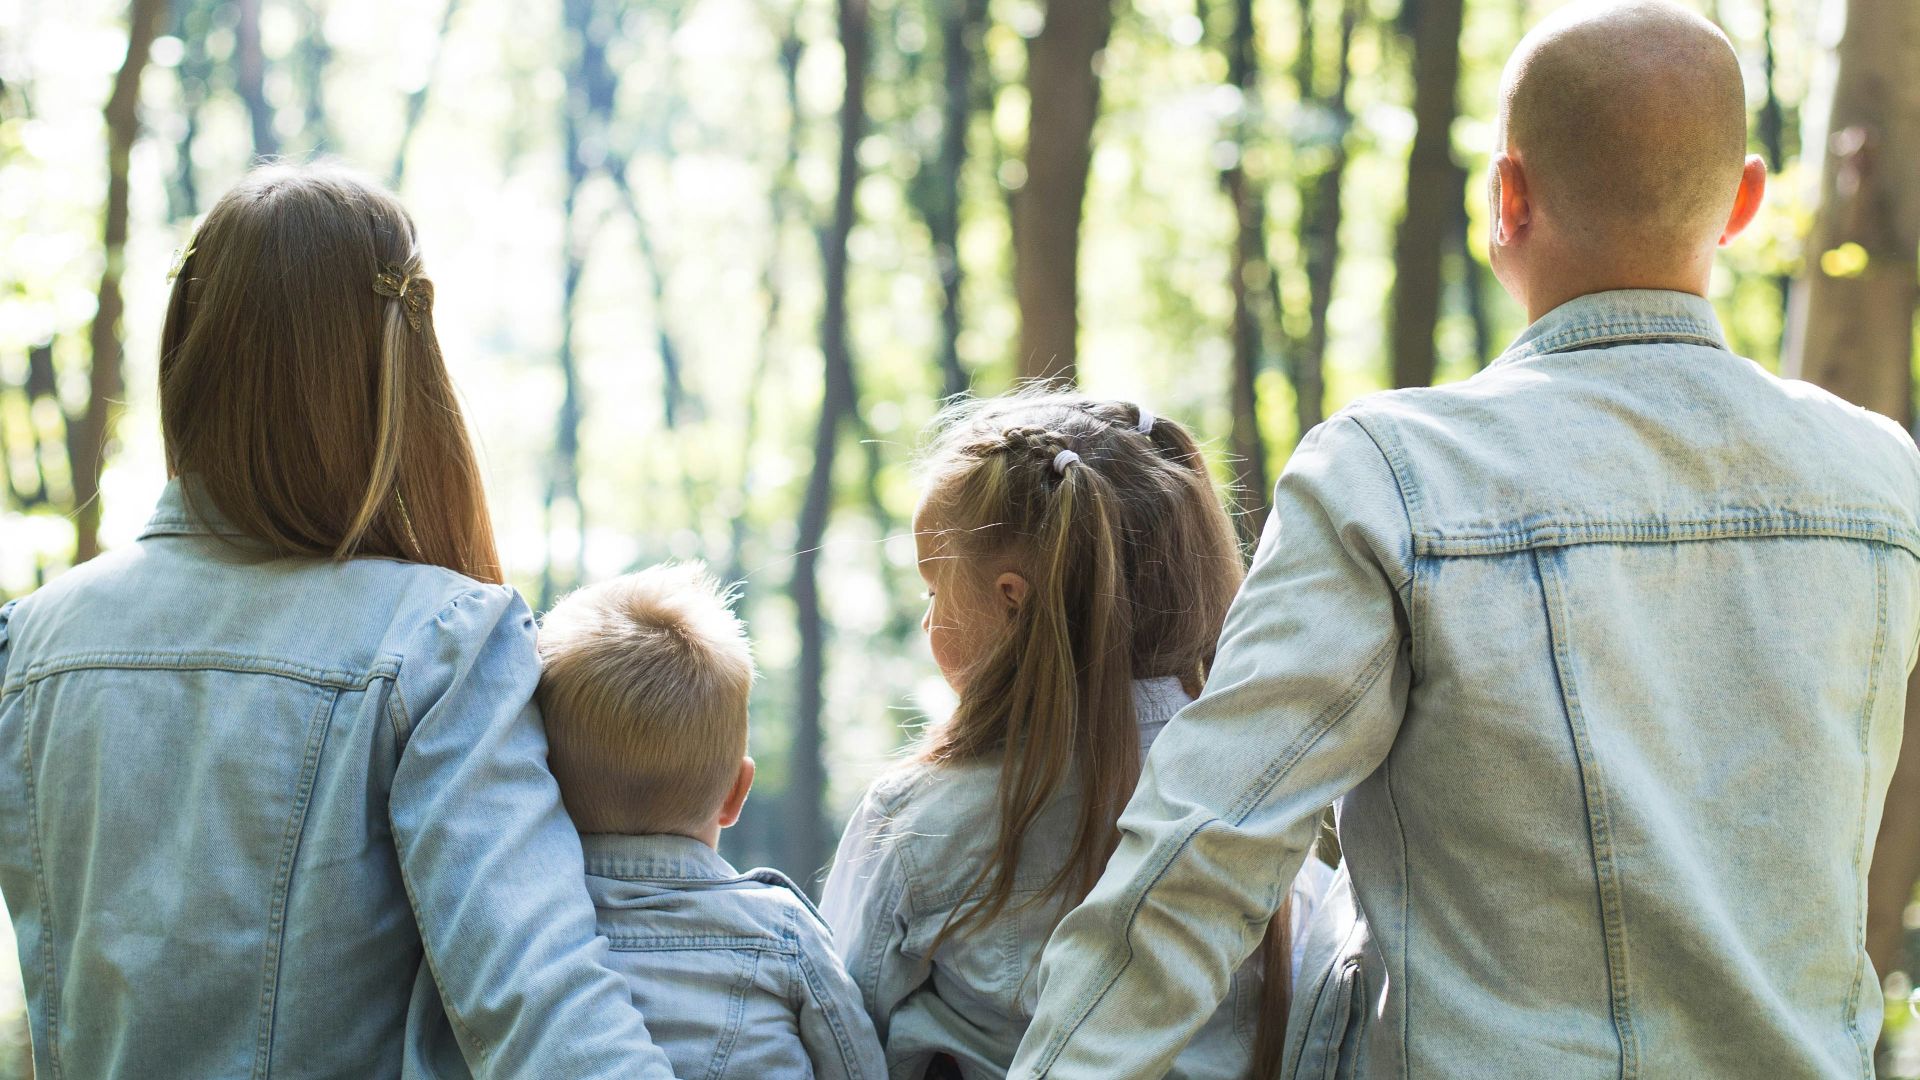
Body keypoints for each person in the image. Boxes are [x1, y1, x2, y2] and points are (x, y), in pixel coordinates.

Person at [1009, 3, 1920, 1078]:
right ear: (1747, 204)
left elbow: (1204, 848)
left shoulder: (1395, 477)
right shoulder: (1882, 482)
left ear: (1507, 197)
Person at [0, 165, 677, 1078]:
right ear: (399, 369)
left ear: (186, 353)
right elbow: (546, 1016)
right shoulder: (438, 643)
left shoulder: (30, 646)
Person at [821, 393, 1336, 1080]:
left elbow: (835, 1033)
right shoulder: (1267, 804)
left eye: (932, 592)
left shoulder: (918, 823)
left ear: (1011, 599)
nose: (925, 623)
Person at [533, 563, 886, 1080]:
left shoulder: (526, 929)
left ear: (543, 785)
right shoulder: (781, 933)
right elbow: (859, 1070)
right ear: (737, 792)